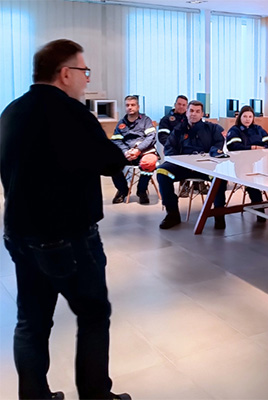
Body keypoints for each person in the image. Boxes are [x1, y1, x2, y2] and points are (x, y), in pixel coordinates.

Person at [0, 39, 130, 400]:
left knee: (31, 322)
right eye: (84, 71)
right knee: (93, 315)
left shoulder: (11, 111)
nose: (87, 79)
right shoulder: (72, 113)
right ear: (64, 73)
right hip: (67, 238)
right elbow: (111, 161)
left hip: (20, 234)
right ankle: (95, 395)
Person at [157, 100, 228, 230]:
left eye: (197, 111)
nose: (194, 114)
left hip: (205, 168)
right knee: (162, 172)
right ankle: (172, 214)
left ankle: (219, 215)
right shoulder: (178, 129)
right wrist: (180, 160)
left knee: (219, 178)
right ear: (187, 112)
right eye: (191, 111)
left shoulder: (213, 128)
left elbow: (218, 146)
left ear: (202, 114)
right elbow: (169, 148)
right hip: (183, 167)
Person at [226, 105, 268, 220]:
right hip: (242, 163)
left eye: (250, 117)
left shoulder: (258, 128)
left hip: (261, 162)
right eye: (245, 116)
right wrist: (252, 147)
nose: (247, 119)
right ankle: (259, 209)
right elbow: (233, 147)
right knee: (251, 182)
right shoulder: (235, 130)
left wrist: (262, 148)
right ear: (240, 117)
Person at [110, 95, 158, 204]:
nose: (130, 107)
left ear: (138, 107)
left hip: (144, 151)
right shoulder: (121, 123)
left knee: (149, 163)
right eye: (127, 105)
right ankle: (123, 190)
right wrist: (125, 151)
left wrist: (138, 150)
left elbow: (151, 137)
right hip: (127, 153)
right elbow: (116, 140)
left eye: (133, 105)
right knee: (111, 163)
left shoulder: (146, 120)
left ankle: (142, 191)